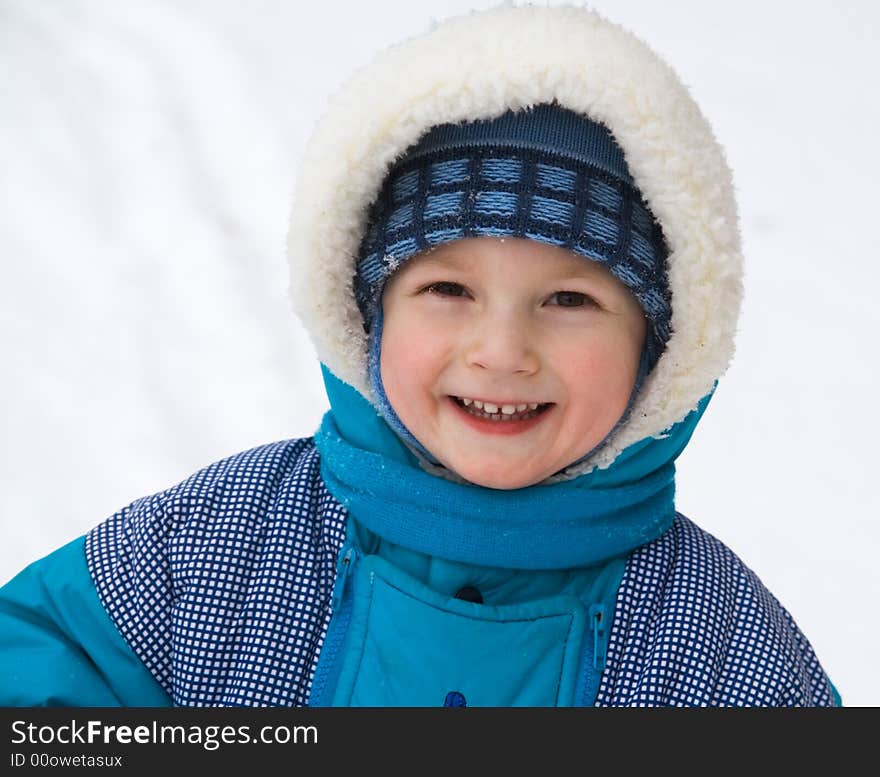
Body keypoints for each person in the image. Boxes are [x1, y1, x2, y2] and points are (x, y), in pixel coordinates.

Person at [0, 2, 840, 707]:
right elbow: (39, 661)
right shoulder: (227, 541)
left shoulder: (716, 643)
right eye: (449, 290)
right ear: (366, 314)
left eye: (570, 300)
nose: (502, 350)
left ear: (661, 352)